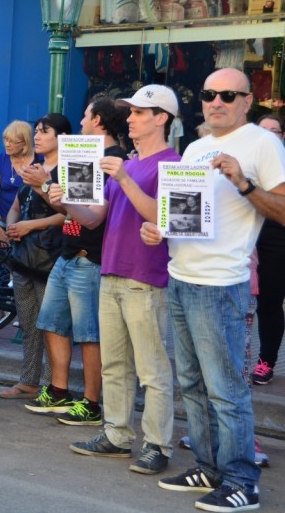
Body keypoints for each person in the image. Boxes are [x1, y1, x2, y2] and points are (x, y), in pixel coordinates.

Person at [141, 68, 285, 512]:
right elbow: (185, 213)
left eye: (227, 94)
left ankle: (243, 480)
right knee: (192, 383)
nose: (216, 101)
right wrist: (160, 229)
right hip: (182, 274)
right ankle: (207, 464)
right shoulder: (198, 147)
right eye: (208, 94)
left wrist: (243, 182)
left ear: (247, 100)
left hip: (222, 283)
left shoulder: (263, 144)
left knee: (226, 389)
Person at [61, 88, 178, 476]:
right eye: (131, 112)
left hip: (145, 278)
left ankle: (158, 445)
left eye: (140, 113)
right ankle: (116, 435)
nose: (130, 118)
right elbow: (93, 218)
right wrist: (59, 197)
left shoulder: (171, 163)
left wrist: (125, 177)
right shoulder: (127, 163)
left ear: (162, 118)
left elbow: (164, 216)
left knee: (152, 369)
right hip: (110, 272)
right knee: (114, 363)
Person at [25, 99, 129, 428]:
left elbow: (92, 218)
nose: (81, 120)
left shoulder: (113, 160)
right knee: (53, 322)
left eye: (85, 115)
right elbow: (70, 211)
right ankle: (58, 390)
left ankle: (92, 401)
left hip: (90, 258)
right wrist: (46, 187)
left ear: (97, 120)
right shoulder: (84, 153)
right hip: (70, 253)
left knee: (88, 334)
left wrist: (44, 185)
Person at [2, 114, 68, 402]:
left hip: (50, 255)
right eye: (37, 131)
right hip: (23, 255)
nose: (38, 136)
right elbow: (17, 204)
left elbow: (67, 214)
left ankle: (51, 385)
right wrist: (11, 223)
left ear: (61, 137)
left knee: (49, 325)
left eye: (45, 131)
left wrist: (30, 225)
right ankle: (28, 380)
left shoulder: (66, 171)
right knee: (28, 322)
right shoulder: (35, 167)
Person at [252, 114, 285, 385]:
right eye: (263, 130)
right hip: (245, 242)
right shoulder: (244, 161)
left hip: (277, 241)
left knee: (269, 302)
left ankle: (266, 360)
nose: (269, 135)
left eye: (275, 131)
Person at [0, 121, 34, 247]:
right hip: (6, 224)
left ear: (25, 142)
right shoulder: (0, 160)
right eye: (6, 139)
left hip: (32, 225)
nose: (7, 144)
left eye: (13, 141)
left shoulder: (40, 159)